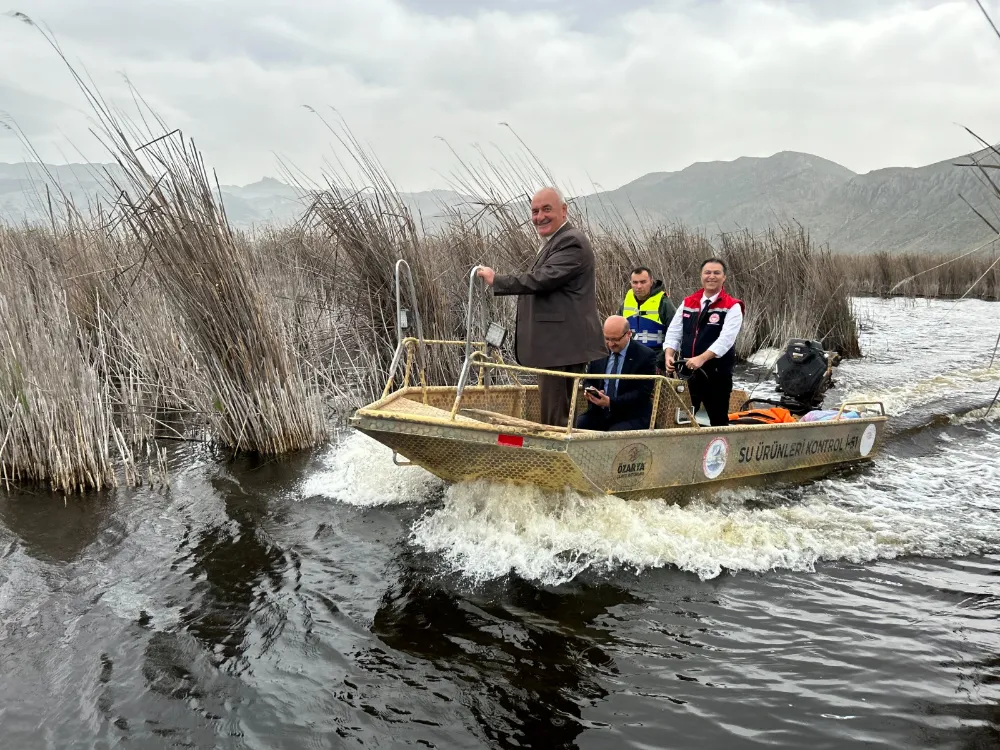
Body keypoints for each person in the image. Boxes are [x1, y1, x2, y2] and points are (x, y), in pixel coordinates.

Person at [476, 186, 605, 427]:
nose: (539, 216)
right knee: (555, 413)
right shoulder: (554, 241)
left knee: (556, 418)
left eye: (547, 209)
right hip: (556, 348)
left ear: (564, 210)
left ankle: (557, 463)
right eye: (534, 211)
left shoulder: (571, 241)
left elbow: (543, 279)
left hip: (562, 347)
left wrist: (498, 280)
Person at [662, 258, 744, 427]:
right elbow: (674, 332)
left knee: (718, 421)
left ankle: (719, 452)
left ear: (724, 277)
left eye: (716, 273)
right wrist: (669, 354)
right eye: (707, 272)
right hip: (688, 373)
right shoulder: (688, 302)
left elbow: (726, 340)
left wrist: (702, 358)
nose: (711, 276)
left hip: (716, 374)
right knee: (682, 420)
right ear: (701, 275)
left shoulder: (732, 306)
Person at [576, 315, 658, 431]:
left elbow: (642, 393)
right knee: (577, 425)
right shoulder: (599, 351)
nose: (610, 344)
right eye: (607, 339)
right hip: (600, 413)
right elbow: (589, 380)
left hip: (631, 415)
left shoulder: (645, 356)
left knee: (614, 435)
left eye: (615, 339)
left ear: (629, 334)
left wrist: (611, 402)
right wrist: (591, 391)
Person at [617, 266, 676, 369]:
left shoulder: (663, 302)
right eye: (635, 283)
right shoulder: (626, 301)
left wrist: (661, 361)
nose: (639, 286)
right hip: (629, 360)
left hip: (655, 359)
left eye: (643, 282)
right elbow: (616, 330)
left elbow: (675, 333)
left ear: (651, 282)